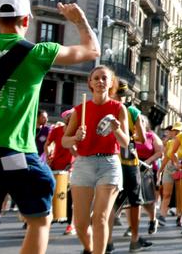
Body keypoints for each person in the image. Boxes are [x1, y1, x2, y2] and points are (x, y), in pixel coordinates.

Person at [0, 0, 99, 254]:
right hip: (15, 152)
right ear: (27, 20)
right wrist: (80, 21)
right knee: (39, 219)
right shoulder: (39, 53)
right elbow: (91, 50)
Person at [62, 65, 130, 254]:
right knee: (81, 224)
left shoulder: (118, 108)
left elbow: (125, 143)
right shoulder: (80, 110)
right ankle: (91, 249)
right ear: (90, 83)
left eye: (104, 78)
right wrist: (76, 137)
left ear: (111, 83)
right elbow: (64, 141)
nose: (100, 81)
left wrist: (116, 128)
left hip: (109, 164)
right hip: (84, 164)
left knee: (100, 218)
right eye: (96, 78)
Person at [108, 81, 151, 252]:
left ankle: (108, 241)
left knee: (109, 202)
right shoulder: (133, 111)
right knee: (134, 201)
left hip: (109, 159)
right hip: (128, 161)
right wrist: (132, 134)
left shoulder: (106, 108)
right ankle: (134, 240)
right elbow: (141, 138)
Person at [46, 108, 78, 235]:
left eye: (72, 117)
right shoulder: (56, 130)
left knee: (70, 198)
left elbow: (78, 153)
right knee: (51, 194)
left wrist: (72, 148)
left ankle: (71, 224)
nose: (69, 119)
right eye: (68, 117)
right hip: (55, 166)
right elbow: (48, 144)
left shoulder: (78, 132)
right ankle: (48, 219)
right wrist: (48, 153)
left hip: (71, 168)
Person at [135, 117, 164, 235]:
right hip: (132, 166)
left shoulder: (151, 136)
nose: (138, 123)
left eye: (141, 121)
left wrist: (148, 161)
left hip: (146, 169)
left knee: (147, 200)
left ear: (146, 123)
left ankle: (153, 219)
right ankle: (133, 225)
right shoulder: (131, 135)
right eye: (136, 121)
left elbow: (160, 151)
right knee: (132, 198)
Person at [157, 122, 182, 225]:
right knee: (166, 193)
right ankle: (162, 216)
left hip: (180, 168)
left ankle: (179, 218)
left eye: (178, 131)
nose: (175, 133)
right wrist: (160, 170)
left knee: (181, 195)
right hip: (169, 168)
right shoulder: (169, 143)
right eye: (174, 130)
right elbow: (166, 157)